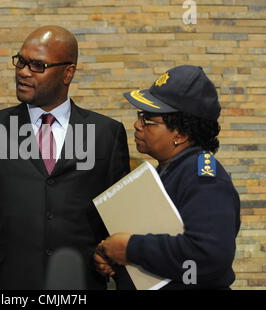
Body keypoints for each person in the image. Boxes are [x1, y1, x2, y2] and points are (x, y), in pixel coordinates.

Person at [0, 25, 130, 290]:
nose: (23, 72)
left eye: (37, 66)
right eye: (21, 61)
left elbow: (118, 220)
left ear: (68, 73)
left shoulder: (106, 133)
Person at [94, 65, 241, 289]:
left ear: (180, 134)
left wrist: (130, 249)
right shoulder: (170, 170)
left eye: (148, 120)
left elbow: (209, 255)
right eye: (140, 116)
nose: (137, 124)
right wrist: (116, 260)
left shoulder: (204, 177)